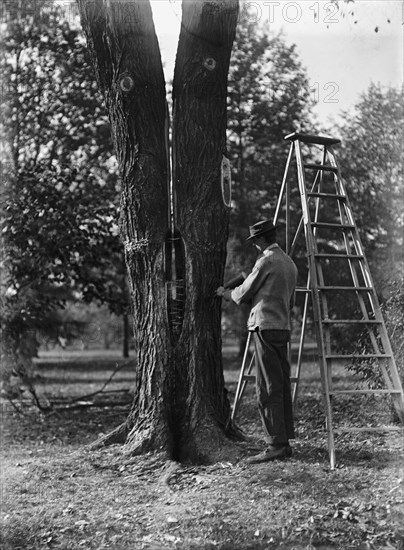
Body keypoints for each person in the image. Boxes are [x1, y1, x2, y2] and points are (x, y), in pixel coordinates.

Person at [217, 219, 298, 463]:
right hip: (282, 327)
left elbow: (243, 294)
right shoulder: (289, 263)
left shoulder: (265, 261)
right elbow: (291, 301)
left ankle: (276, 445)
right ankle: (283, 440)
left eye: (255, 241)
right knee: (281, 384)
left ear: (262, 240)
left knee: (267, 387)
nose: (254, 246)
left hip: (264, 328)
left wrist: (225, 293)